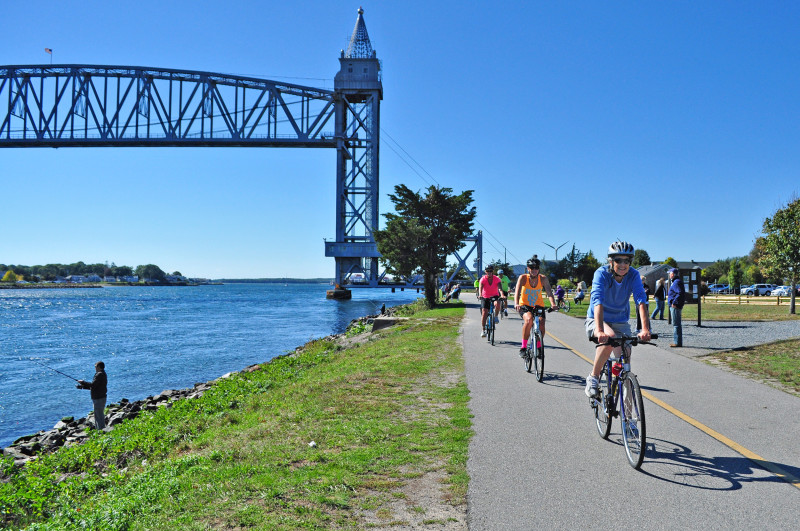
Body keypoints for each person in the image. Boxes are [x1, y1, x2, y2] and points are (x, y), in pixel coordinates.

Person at [584, 241, 651, 398]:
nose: (623, 264)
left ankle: (629, 418)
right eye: (618, 260)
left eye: (626, 260)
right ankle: (593, 378)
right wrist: (599, 330)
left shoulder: (634, 275)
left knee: (626, 353)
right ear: (610, 261)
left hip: (620, 320)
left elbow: (641, 301)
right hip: (597, 318)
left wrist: (645, 329)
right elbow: (597, 302)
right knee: (610, 339)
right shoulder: (601, 274)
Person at [514, 257, 557, 356]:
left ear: (539, 269)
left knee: (541, 323)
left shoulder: (543, 278)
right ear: (528, 268)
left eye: (536, 268)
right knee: (529, 320)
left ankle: (538, 347)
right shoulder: (523, 278)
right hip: (524, 305)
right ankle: (523, 347)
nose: (534, 270)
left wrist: (553, 304)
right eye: (531, 268)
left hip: (538, 305)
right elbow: (517, 292)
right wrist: (516, 303)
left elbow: (549, 292)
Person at [76, 361, 108, 430]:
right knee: (99, 415)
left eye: (95, 366)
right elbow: (94, 387)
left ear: (99, 367)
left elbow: (93, 385)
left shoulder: (99, 374)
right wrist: (82, 387)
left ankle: (101, 431)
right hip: (101, 397)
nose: (95, 368)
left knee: (98, 416)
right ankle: (101, 430)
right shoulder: (103, 374)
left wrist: (83, 382)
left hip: (98, 398)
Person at [478, 265, 504, 337]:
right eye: (487, 271)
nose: (489, 272)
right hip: (485, 296)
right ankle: (483, 330)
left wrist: (502, 295)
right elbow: (480, 288)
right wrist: (480, 294)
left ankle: (495, 316)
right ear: (485, 271)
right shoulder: (483, 279)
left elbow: (500, 289)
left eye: (490, 271)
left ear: (493, 271)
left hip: (494, 296)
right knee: (484, 312)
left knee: (498, 304)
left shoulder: (497, 279)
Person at [668, 268, 685, 347]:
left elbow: (680, 293)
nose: (669, 275)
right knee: (676, 324)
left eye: (670, 273)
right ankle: (677, 341)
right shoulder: (676, 282)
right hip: (676, 305)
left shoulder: (676, 282)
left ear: (673, 274)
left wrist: (674, 302)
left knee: (676, 324)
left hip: (675, 306)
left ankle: (677, 342)